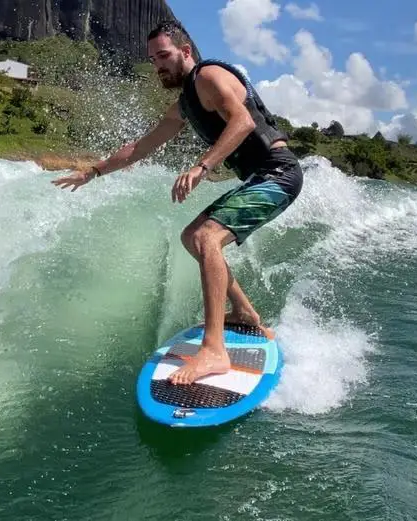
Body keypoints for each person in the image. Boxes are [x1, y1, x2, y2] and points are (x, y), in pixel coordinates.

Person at [52, 20, 304, 386]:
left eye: (164, 55)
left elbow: (244, 122)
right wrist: (93, 171)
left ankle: (214, 351)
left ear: (186, 52)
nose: (158, 65)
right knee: (193, 238)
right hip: (261, 177)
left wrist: (203, 166)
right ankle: (245, 314)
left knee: (206, 238)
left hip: (278, 174)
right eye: (153, 59)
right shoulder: (186, 103)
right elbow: (141, 147)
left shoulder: (208, 76)